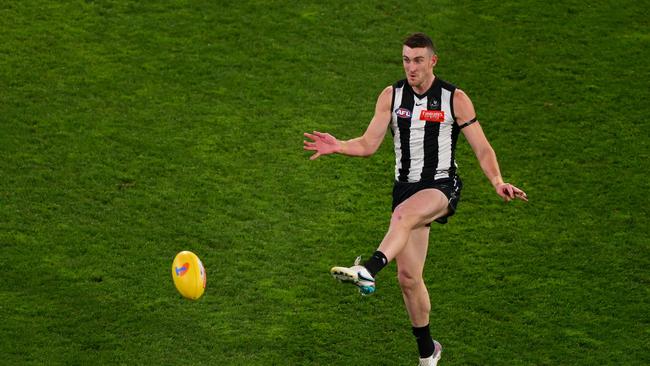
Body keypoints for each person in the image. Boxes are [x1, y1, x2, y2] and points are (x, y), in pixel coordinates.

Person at [303, 32, 527, 366]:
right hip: (405, 189)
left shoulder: (455, 99)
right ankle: (428, 353)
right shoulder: (391, 96)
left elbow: (482, 146)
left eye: (419, 60)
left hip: (441, 186)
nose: (412, 68)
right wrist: (339, 145)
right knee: (408, 279)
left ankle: (368, 269)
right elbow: (368, 144)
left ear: (433, 61)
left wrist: (497, 180)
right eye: (407, 60)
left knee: (402, 218)